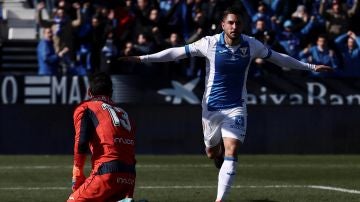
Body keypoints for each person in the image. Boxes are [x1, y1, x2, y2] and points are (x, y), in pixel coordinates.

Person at [119, 7, 332, 202]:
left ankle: (220, 199)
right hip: (211, 108)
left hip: (236, 106)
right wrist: (142, 58)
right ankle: (217, 156)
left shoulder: (252, 44)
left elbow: (279, 58)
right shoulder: (209, 43)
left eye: (238, 23)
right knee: (212, 152)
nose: (234, 27)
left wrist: (311, 66)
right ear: (223, 25)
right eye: (230, 23)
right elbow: (175, 52)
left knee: (232, 150)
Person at [67, 72, 136, 202]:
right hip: (129, 174)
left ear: (89, 92)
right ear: (111, 93)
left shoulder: (87, 107)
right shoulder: (124, 113)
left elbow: (81, 142)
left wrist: (77, 171)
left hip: (107, 170)